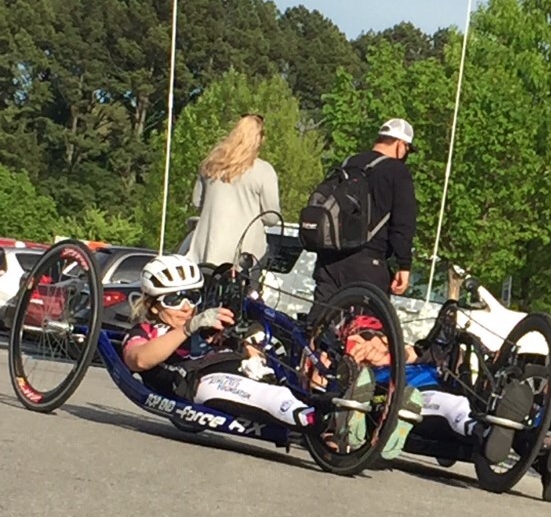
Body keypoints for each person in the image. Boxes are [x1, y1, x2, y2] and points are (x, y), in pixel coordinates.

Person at [121, 254, 369, 431]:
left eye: (192, 296)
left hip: (238, 365)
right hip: (197, 380)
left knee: (278, 358)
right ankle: (326, 418)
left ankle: (347, 403)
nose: (186, 306)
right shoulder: (144, 330)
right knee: (268, 395)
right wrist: (189, 327)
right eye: (174, 300)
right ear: (153, 305)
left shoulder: (202, 322)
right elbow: (139, 360)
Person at [344, 320, 551, 503]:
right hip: (408, 401)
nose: (377, 343)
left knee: (489, 418)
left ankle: (547, 459)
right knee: (453, 408)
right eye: (368, 337)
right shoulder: (369, 374)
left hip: (445, 398)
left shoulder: (411, 356)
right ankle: (491, 433)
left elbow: (418, 351)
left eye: (382, 337)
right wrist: (363, 355)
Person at [312, 118, 418, 309]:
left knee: (321, 324)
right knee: (365, 332)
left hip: (330, 259)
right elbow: (403, 223)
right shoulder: (397, 171)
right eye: (408, 149)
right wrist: (404, 265)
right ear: (400, 145)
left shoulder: (348, 163)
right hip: (368, 263)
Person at [186, 114, 281, 267]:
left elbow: (197, 202)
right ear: (260, 139)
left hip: (205, 250)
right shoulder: (264, 170)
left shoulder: (210, 166)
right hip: (243, 255)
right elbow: (271, 217)